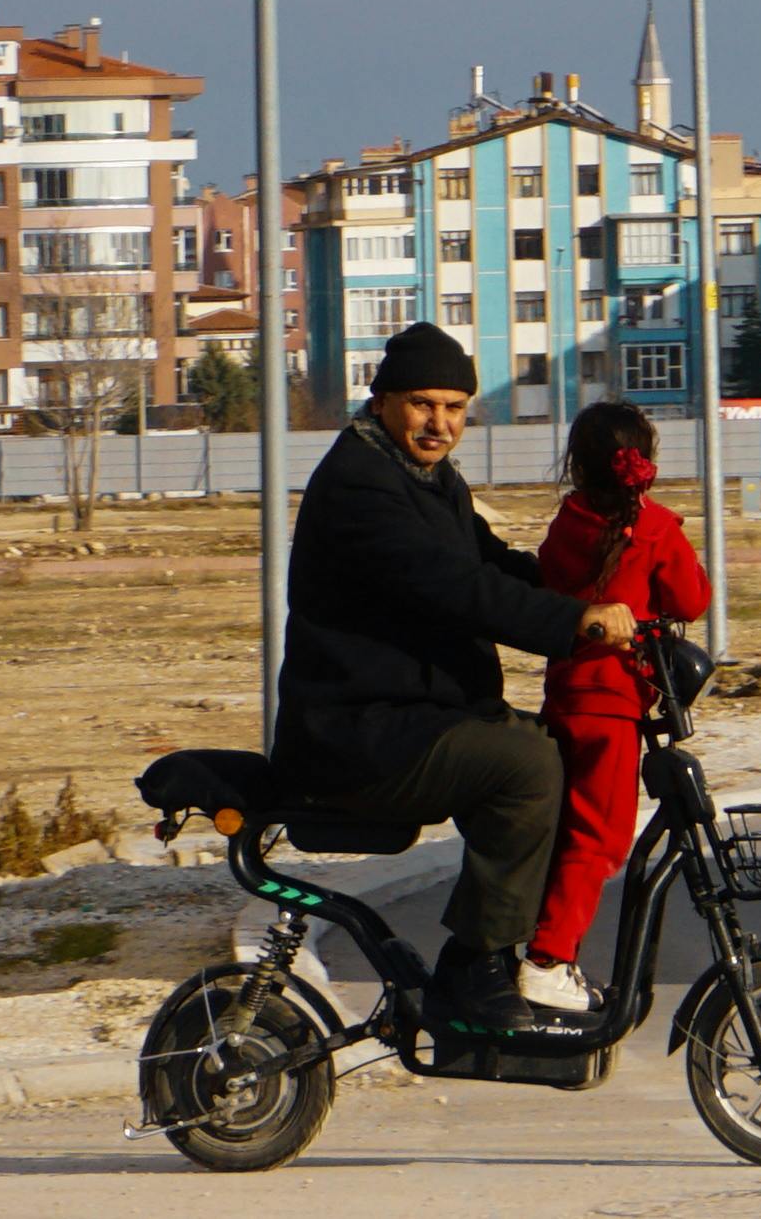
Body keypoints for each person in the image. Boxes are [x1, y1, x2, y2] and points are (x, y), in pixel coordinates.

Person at [277, 322, 636, 1030]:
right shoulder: (361, 485)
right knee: (525, 766)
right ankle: (471, 969)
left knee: (552, 752)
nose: (439, 422)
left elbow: (490, 563)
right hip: (356, 731)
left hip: (411, 717)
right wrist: (573, 623)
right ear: (381, 401)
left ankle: (513, 956)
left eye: (454, 407)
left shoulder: (425, 478)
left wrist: (583, 596)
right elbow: (453, 586)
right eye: (422, 403)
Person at [519, 400, 705, 1015]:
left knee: (565, 828)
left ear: (578, 463)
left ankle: (542, 946)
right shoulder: (654, 529)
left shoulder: (567, 523)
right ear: (645, 460)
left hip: (566, 696)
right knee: (598, 839)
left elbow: (546, 585)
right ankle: (547, 959)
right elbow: (693, 598)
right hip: (615, 703)